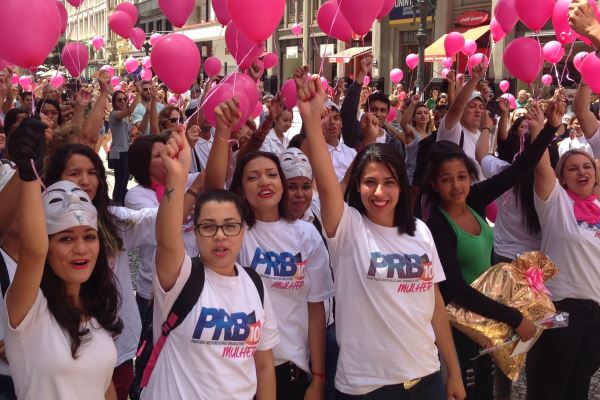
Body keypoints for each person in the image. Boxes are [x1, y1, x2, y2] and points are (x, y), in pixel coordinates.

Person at [295, 68, 465, 399]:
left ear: (401, 186)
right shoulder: (347, 229)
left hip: (425, 378)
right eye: (370, 182)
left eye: (389, 182)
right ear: (357, 187)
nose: (379, 192)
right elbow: (327, 182)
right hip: (366, 386)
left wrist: (453, 371)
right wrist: (312, 120)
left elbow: (434, 303)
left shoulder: (420, 231)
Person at [424, 101, 561, 399]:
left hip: (484, 322)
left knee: (485, 392)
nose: (457, 186)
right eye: (446, 180)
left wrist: (550, 128)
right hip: (457, 327)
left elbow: (519, 171)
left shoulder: (472, 200)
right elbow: (456, 288)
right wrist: (513, 318)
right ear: (434, 184)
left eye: (461, 177)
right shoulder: (437, 225)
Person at [205, 99, 334, 400]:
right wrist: (222, 134)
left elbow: (316, 311)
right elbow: (211, 192)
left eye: (272, 174)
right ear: (241, 190)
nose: (264, 181)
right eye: (252, 176)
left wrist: (317, 377)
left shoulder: (306, 236)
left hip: (291, 367)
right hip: (238, 369)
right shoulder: (235, 232)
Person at [141, 126, 279, 399]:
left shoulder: (255, 285)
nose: (220, 236)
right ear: (195, 231)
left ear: (243, 230)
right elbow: (167, 239)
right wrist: (176, 179)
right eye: (208, 226)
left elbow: (263, 365)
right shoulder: (180, 277)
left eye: (230, 226)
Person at [5, 119, 122, 399]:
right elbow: (33, 252)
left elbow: (105, 386)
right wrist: (29, 174)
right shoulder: (29, 311)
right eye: (66, 238)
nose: (81, 249)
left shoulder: (97, 309)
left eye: (89, 237)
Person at [45, 144, 159, 400]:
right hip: (60, 355)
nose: (85, 181)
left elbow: (158, 220)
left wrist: (181, 181)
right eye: (75, 172)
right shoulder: (38, 227)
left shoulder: (113, 221)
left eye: (93, 172)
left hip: (115, 349)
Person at [526, 145, 600, 399]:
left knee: (580, 381)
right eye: (573, 168)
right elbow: (541, 167)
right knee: (549, 381)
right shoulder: (556, 202)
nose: (582, 172)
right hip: (559, 309)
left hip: (595, 314)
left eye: (587, 166)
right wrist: (543, 130)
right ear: (562, 178)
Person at [125, 135, 204, 318]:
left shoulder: (185, 179)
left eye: (168, 152)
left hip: (189, 283)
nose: (168, 157)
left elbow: (215, 173)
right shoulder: (136, 196)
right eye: (159, 155)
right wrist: (192, 190)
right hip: (153, 293)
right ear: (144, 165)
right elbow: (166, 227)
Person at [436, 63, 490, 179]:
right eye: (472, 106)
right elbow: (455, 108)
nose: (478, 111)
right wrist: (475, 79)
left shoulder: (483, 135)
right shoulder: (453, 130)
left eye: (481, 107)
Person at [108, 89, 139, 205]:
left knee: (125, 179)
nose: (123, 102)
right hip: (119, 152)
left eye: (125, 99)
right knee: (120, 180)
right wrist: (138, 93)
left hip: (126, 150)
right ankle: (116, 205)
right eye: (119, 100)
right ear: (114, 102)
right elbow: (130, 110)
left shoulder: (125, 117)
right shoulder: (115, 114)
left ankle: (121, 203)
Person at [400, 94, 432, 185]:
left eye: (426, 113)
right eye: (419, 113)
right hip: (411, 180)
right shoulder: (412, 132)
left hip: (426, 180)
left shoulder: (429, 134)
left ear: (429, 117)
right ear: (414, 118)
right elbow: (403, 124)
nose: (423, 115)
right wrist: (412, 105)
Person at [322, 100, 356, 182]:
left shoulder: (351, 153)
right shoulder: (314, 153)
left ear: (341, 123)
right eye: (327, 118)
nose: (332, 122)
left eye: (336, 118)